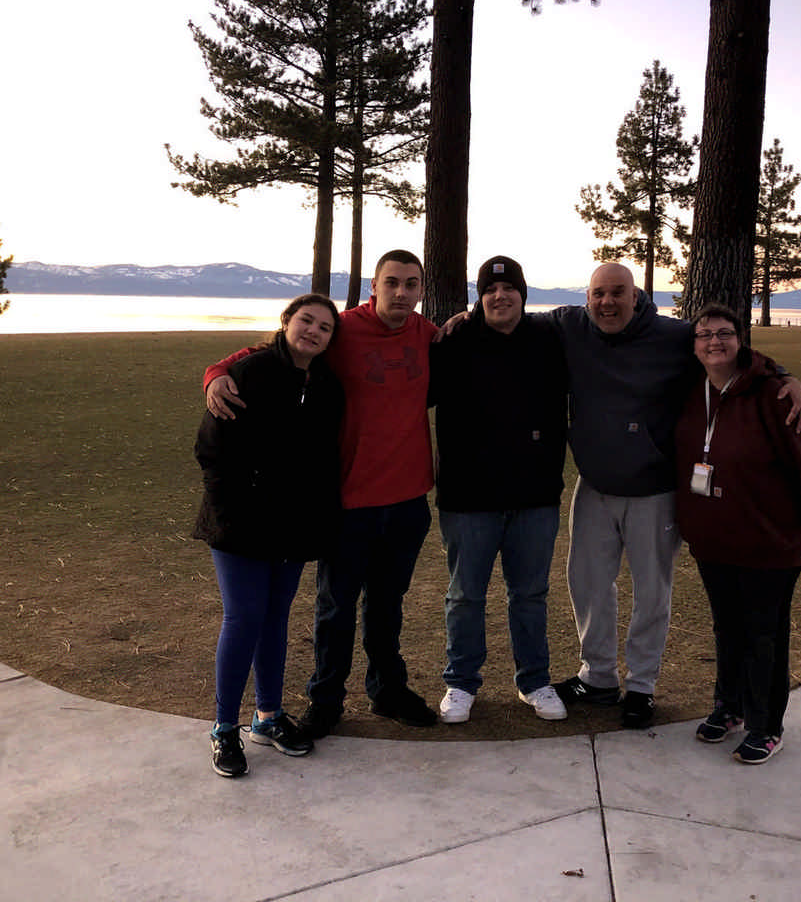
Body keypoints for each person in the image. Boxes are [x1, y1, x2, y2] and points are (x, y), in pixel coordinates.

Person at [545, 263, 801, 730]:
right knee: (586, 585)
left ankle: (641, 687)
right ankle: (599, 677)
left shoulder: (672, 336)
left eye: (617, 293)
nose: (607, 303)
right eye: (598, 294)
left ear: (636, 296)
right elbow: (510, 320)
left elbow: (724, 350)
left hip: (654, 490)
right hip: (594, 487)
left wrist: (784, 374)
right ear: (587, 298)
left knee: (652, 592)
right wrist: (461, 320)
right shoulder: (570, 325)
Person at [204, 250, 439, 737]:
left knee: (387, 604)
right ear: (374, 286)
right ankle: (326, 698)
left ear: (420, 290)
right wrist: (216, 372)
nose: (401, 292)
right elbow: (270, 352)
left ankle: (388, 690)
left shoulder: (429, 335)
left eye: (411, 284)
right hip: (349, 500)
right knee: (335, 607)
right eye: (391, 282)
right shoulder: (343, 330)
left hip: (408, 499)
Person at [674, 302, 801, 764]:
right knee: (727, 626)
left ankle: (767, 725)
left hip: (769, 539)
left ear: (741, 339)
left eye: (724, 333)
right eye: (704, 335)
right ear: (694, 345)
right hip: (713, 537)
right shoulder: (690, 391)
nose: (714, 342)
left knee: (763, 632)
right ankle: (729, 706)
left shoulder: (773, 394)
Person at [193, 293, 343, 777]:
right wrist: (229, 513)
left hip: (293, 526)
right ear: (286, 322)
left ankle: (268, 716)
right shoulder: (250, 371)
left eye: (324, 327)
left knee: (275, 618)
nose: (313, 331)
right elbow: (211, 451)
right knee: (244, 618)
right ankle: (223, 729)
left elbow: (322, 462)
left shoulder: (327, 386)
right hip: (239, 523)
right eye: (306, 321)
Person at [429, 256, 569, 723]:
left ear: (523, 295)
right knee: (465, 595)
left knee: (529, 594)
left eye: (509, 288)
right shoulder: (452, 340)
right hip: (469, 499)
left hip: (535, 497)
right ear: (479, 296)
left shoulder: (550, 338)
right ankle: (461, 682)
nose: (500, 296)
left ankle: (535, 681)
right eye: (490, 289)